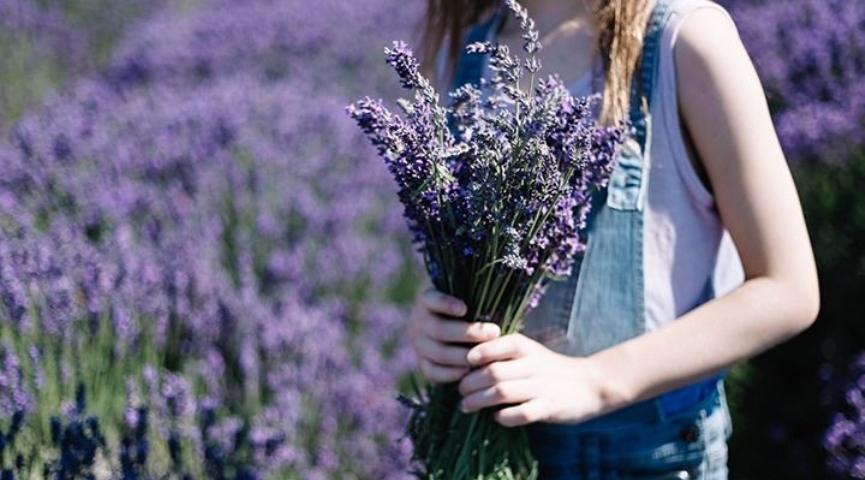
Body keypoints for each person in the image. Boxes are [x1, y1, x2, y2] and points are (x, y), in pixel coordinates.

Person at [407, 0, 820, 478]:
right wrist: (436, 319)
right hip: (492, 444)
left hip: (649, 456)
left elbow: (788, 288)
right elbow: (468, 250)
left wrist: (596, 382)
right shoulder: (469, 49)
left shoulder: (683, 41)